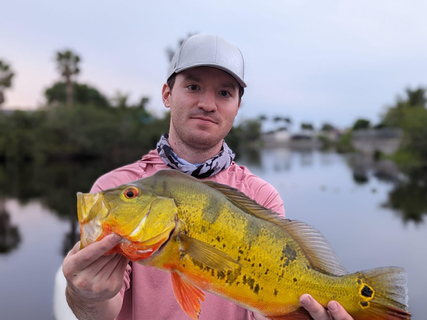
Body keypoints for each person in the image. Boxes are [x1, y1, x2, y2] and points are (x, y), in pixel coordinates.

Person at [62, 34, 354, 320]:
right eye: (193, 86)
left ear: (237, 107)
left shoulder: (261, 196)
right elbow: (100, 312)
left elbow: (264, 308)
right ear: (167, 94)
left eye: (224, 93)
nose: (208, 104)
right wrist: (84, 294)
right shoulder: (116, 189)